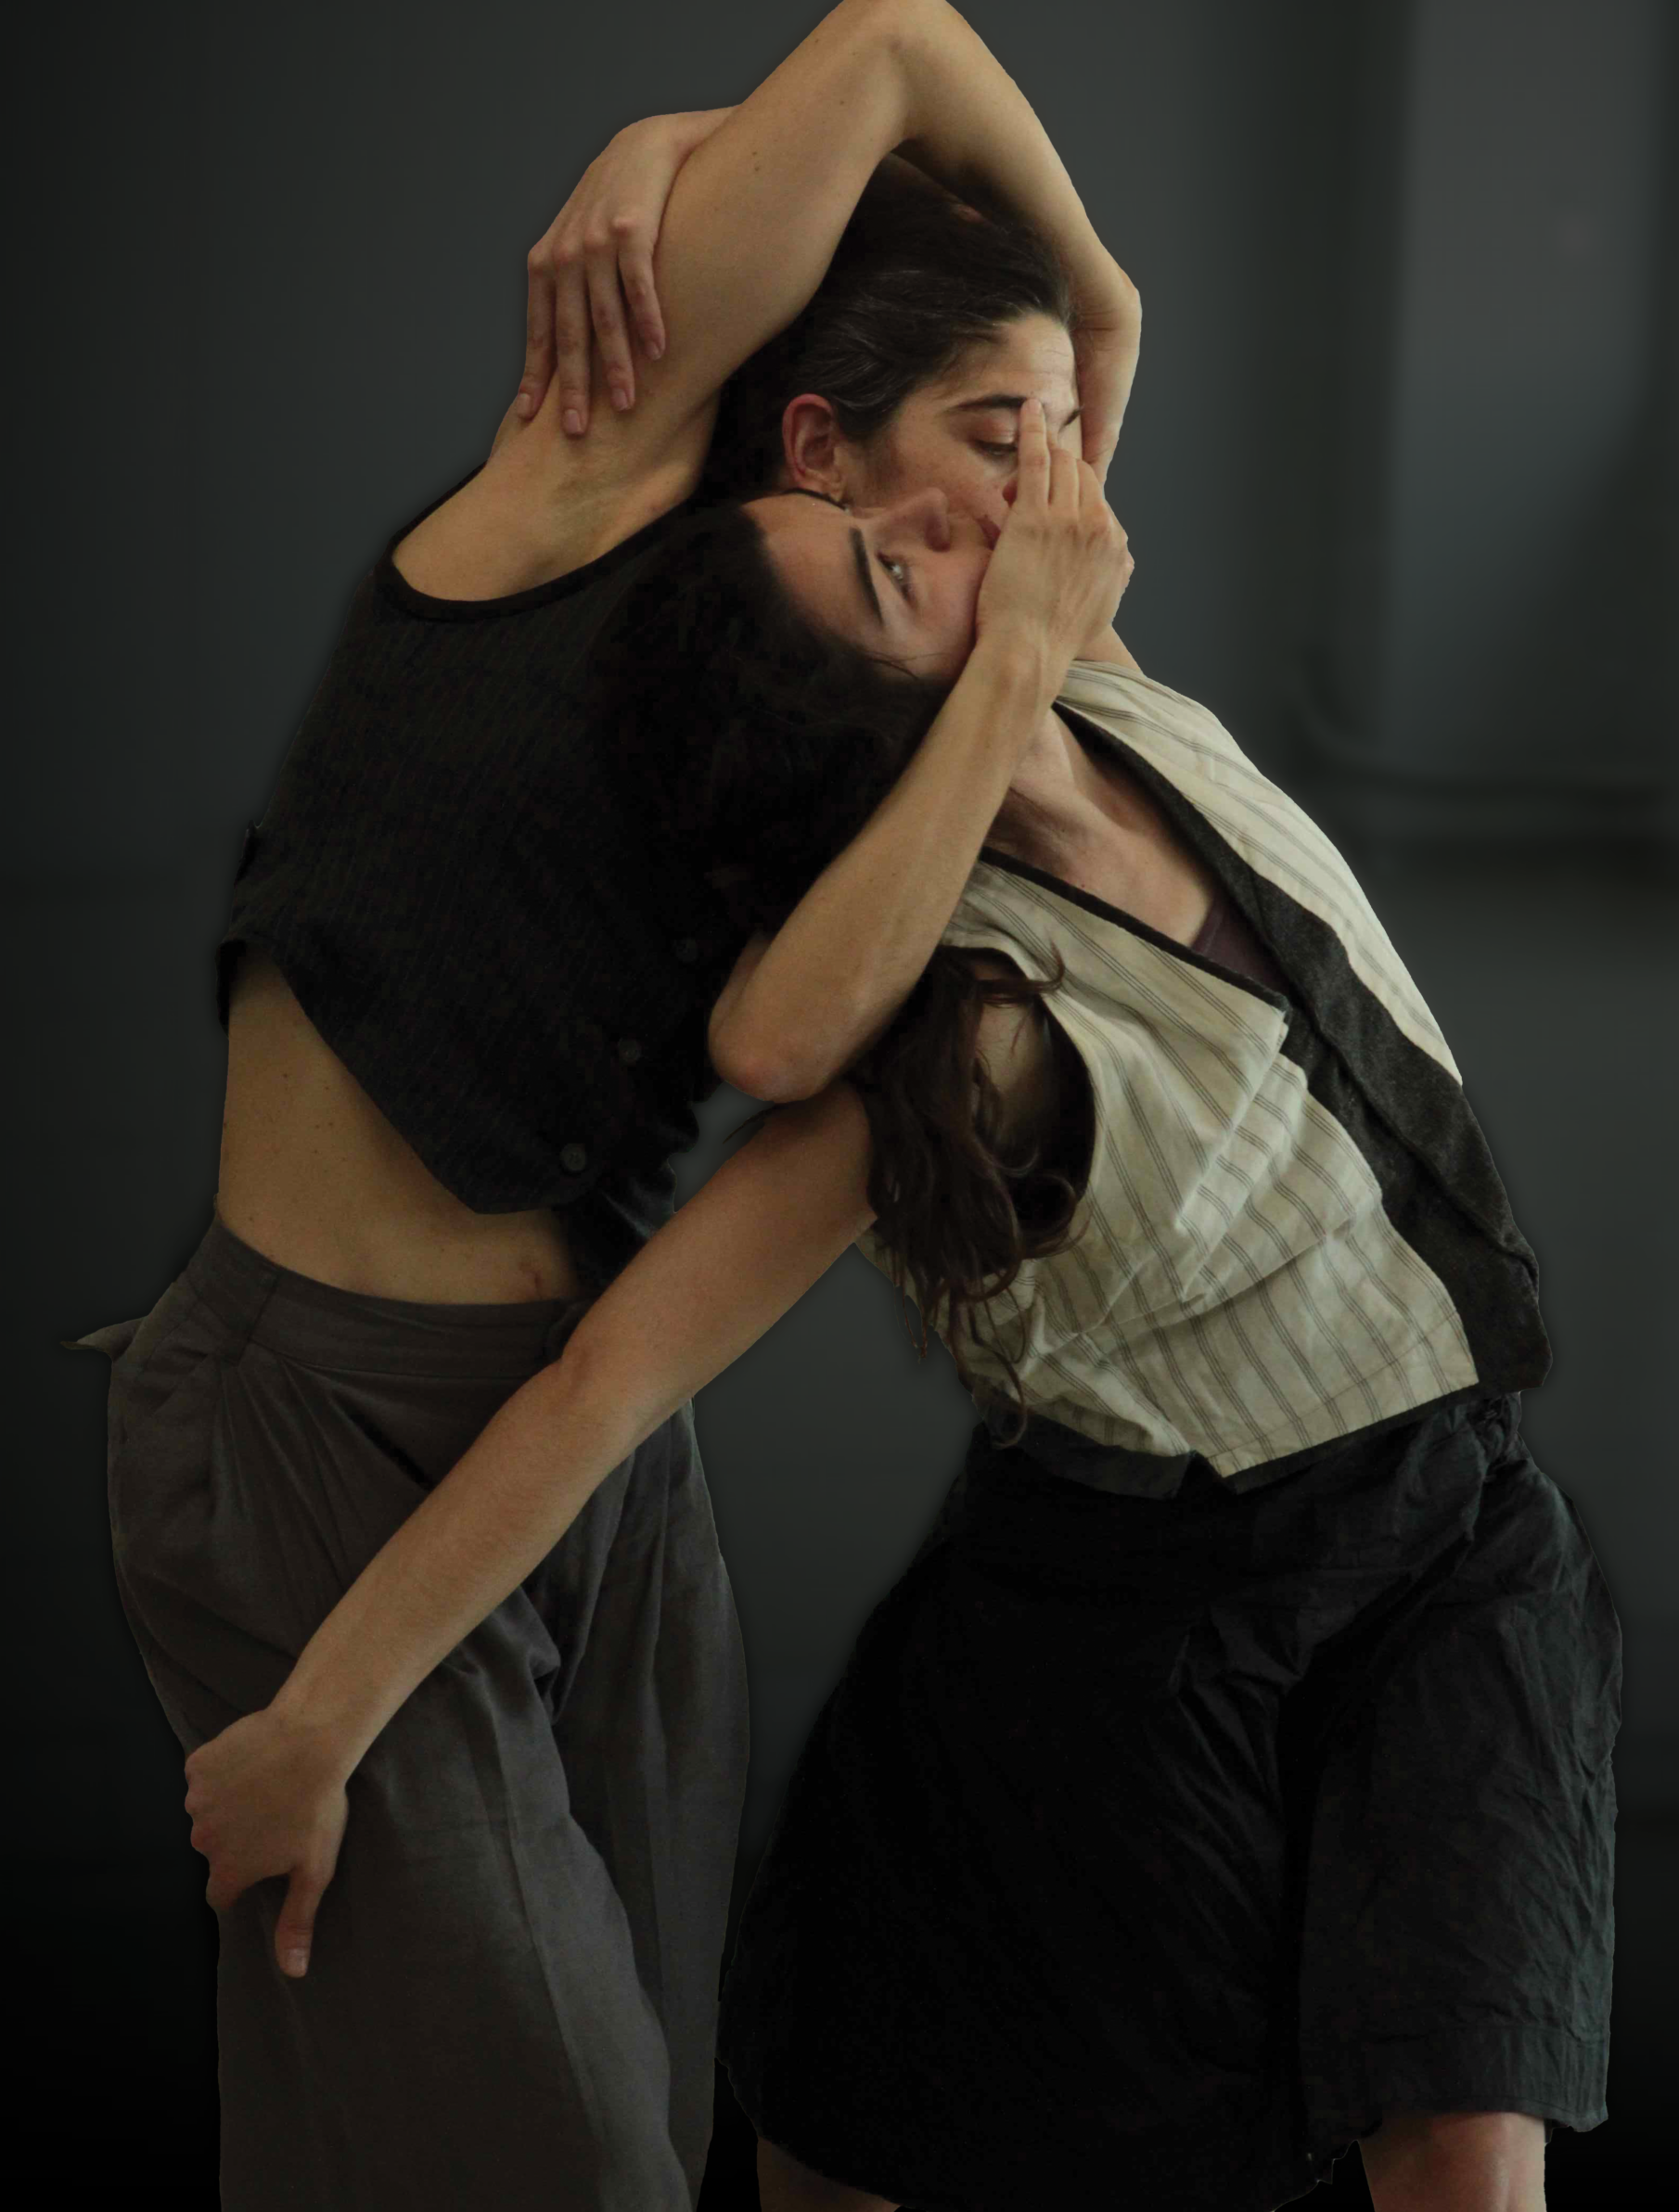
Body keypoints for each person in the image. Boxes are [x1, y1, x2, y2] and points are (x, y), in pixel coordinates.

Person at [172, 195, 1618, 2212]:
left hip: (1458, 1533)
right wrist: (316, 1725)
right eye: (889, 566)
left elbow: (1050, 267)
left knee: (1470, 2131)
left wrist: (663, 162)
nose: (969, 515)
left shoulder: (1097, 679)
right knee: (871, 2136)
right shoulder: (959, 1032)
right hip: (1140, 1610)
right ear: (867, 725)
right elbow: (609, 1377)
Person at [74, 0, 1140, 2212]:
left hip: (586, 1453)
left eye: (1059, 464)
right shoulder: (598, 470)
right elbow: (892, 36)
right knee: (562, 2160)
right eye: (997, 437)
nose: (1033, 506)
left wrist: (1008, 660)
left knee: (636, 2119)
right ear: (819, 434)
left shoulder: (904, 728)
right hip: (311, 1422)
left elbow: (781, 1042)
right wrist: (1104, 299)